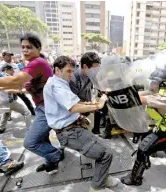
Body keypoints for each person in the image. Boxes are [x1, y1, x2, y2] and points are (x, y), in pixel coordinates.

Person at [0, 32, 64, 174]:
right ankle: (51, 162)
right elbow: (22, 86)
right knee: (42, 137)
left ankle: (56, 156)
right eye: (23, 47)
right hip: (43, 107)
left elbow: (15, 81)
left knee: (30, 142)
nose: (25, 50)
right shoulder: (32, 64)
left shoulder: (38, 63)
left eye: (29, 47)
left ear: (38, 48)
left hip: (48, 109)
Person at [43, 56, 119, 192]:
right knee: (106, 153)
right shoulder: (56, 85)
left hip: (73, 128)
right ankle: (97, 187)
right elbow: (73, 107)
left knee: (102, 151)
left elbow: (73, 104)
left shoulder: (59, 82)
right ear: (57, 70)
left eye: (72, 71)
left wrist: (87, 104)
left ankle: (102, 178)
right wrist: (99, 105)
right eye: (68, 71)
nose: (71, 75)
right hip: (69, 132)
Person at [121, 68, 166, 186]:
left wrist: (118, 97)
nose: (151, 84)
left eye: (154, 82)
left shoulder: (165, 98)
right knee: (146, 136)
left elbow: (139, 99)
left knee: (143, 148)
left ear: (164, 84)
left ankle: (135, 178)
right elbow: (139, 93)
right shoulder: (159, 93)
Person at [69, 52, 105, 134]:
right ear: (85, 67)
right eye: (95, 69)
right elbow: (72, 104)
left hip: (87, 109)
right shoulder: (73, 79)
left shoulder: (91, 75)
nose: (97, 72)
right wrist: (91, 105)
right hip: (77, 113)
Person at [0, 50, 36, 116]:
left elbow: (19, 75)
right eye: (8, 56)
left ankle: (32, 111)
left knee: (24, 98)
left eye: (10, 56)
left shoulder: (15, 65)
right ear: (3, 56)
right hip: (6, 87)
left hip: (16, 85)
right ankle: (8, 115)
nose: (10, 57)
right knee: (8, 101)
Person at [0, 64, 31, 133]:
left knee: (6, 113)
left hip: (1, 101)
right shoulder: (8, 77)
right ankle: (30, 128)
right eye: (11, 70)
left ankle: (0, 128)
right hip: (8, 101)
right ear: (6, 70)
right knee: (27, 112)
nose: (13, 72)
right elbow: (14, 87)